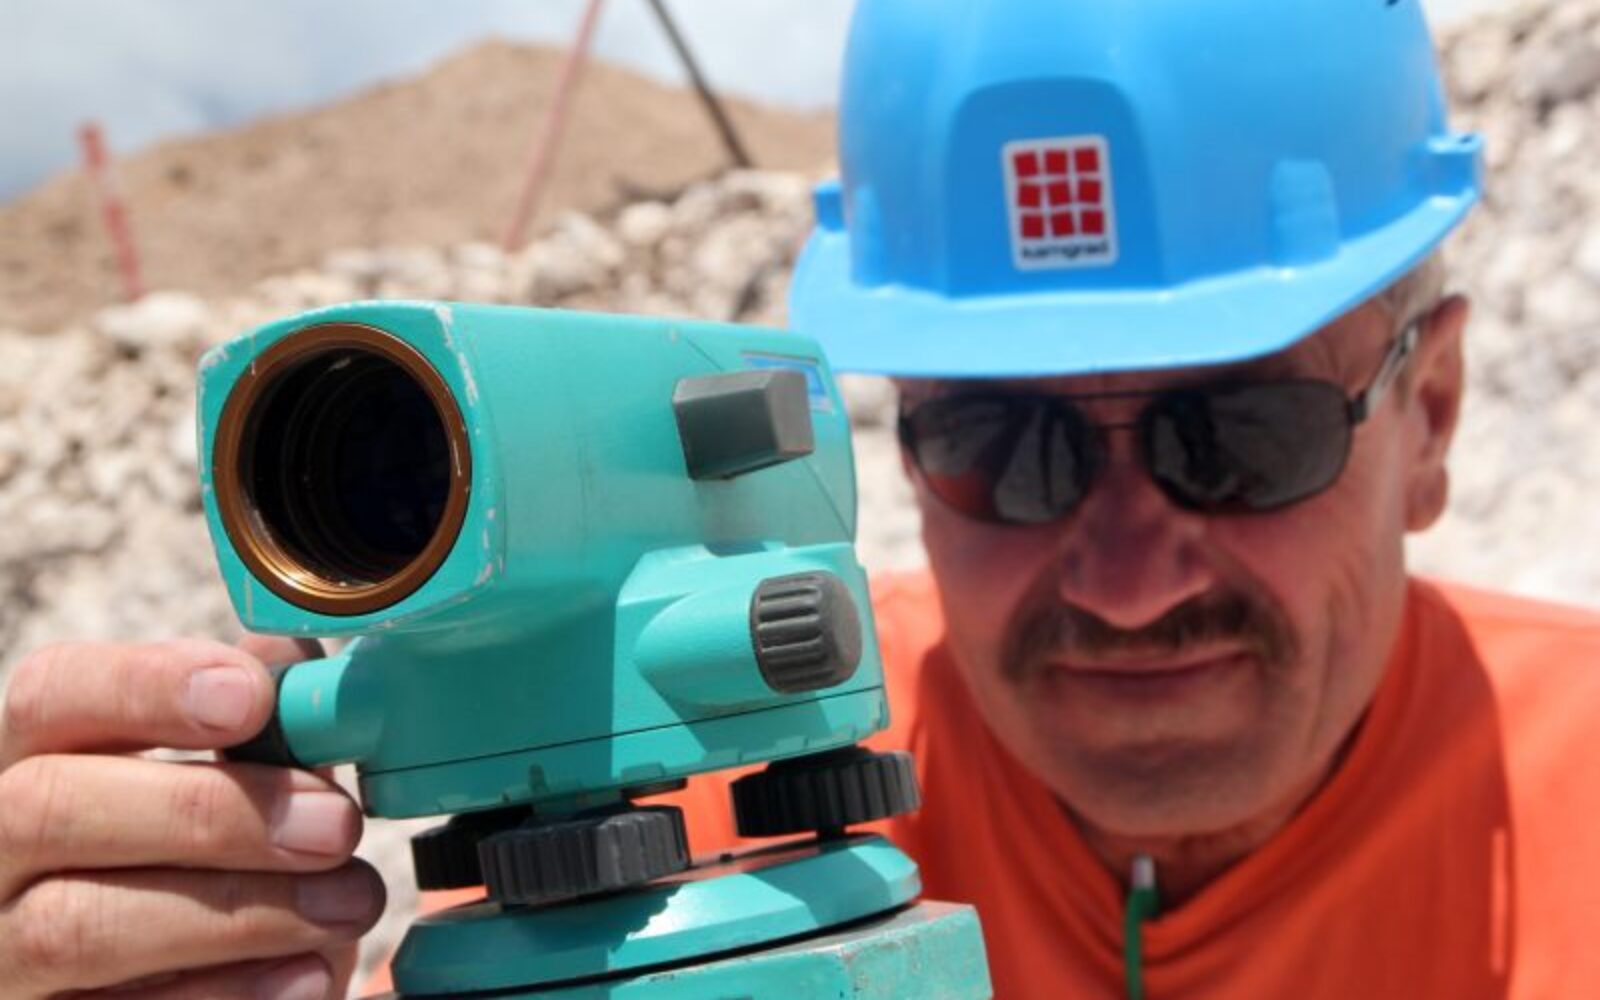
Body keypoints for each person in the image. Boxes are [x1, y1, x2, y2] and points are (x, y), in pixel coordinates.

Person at [3, 1, 1598, 997]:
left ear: (1432, 415)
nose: (1123, 577)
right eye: (1001, 446)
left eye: (1239, 436)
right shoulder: (680, 793)